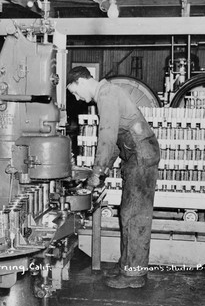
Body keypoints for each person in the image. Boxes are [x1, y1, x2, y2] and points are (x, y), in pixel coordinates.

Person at [66, 66, 160, 289]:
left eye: (74, 92)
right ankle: (129, 265)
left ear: (81, 81)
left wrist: (97, 174)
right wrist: (102, 173)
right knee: (129, 212)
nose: (77, 98)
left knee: (135, 215)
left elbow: (107, 138)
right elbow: (117, 142)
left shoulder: (106, 95)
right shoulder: (108, 93)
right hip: (137, 155)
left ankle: (134, 275)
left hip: (141, 157)